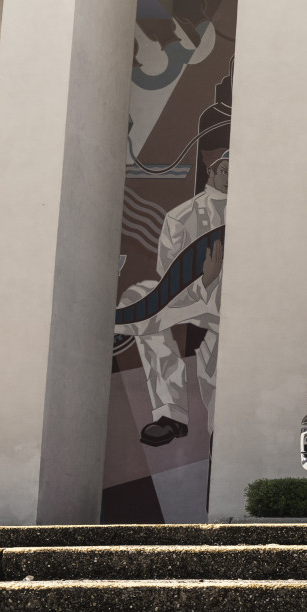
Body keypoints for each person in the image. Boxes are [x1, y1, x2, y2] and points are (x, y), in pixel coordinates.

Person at [118, 147, 227, 447]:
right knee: (140, 299)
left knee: (214, 357)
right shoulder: (180, 216)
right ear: (212, 171)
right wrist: (205, 280)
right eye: (225, 171)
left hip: (232, 307)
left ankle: (220, 430)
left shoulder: (252, 214)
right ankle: (170, 413)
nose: (230, 178)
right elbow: (167, 275)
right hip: (190, 297)